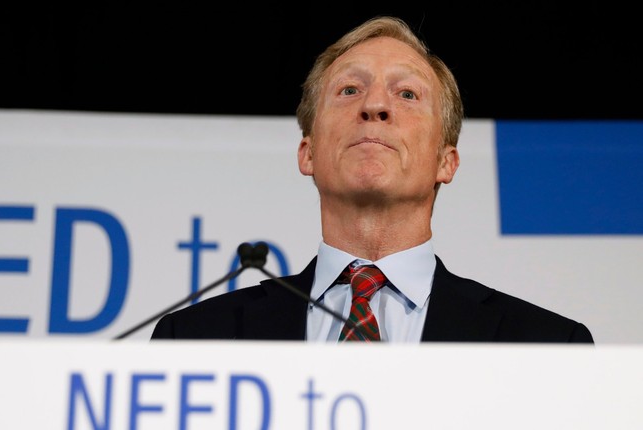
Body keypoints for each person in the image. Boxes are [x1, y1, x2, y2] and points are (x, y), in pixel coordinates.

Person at [151, 16, 594, 343]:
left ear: (447, 161)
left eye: (406, 94)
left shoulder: (547, 345)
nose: (375, 106)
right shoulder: (194, 338)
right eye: (349, 90)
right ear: (308, 153)